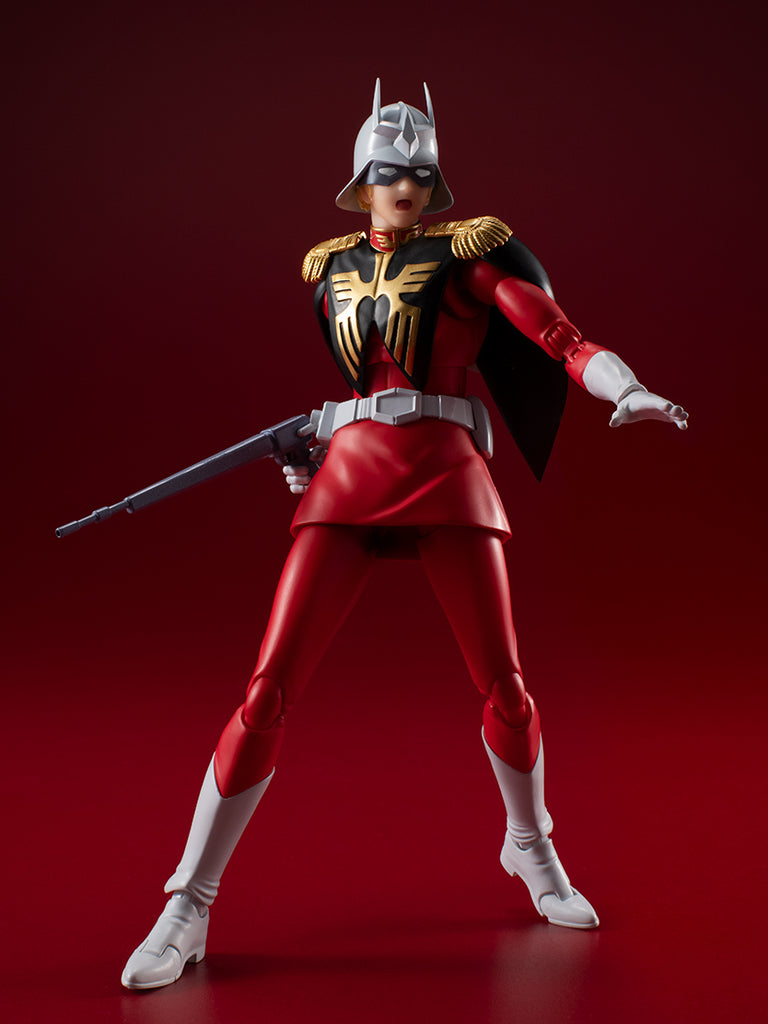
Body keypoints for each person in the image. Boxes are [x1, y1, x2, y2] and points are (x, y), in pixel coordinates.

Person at [121, 81, 687, 990]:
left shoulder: (467, 258)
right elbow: (361, 381)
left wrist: (625, 388)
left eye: (420, 175)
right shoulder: (328, 268)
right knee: (266, 691)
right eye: (390, 172)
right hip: (350, 476)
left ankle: (530, 845)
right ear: (361, 180)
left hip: (447, 473)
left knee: (506, 688)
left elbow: (556, 334)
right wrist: (312, 452)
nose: (407, 187)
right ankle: (188, 903)